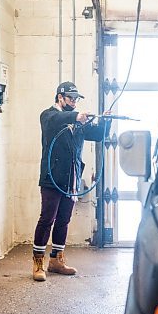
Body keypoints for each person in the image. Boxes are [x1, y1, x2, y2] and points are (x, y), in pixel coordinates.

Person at [32, 81, 110, 281]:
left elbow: (99, 135)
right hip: (52, 177)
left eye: (76, 99)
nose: (74, 102)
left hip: (71, 178)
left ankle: (56, 260)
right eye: (71, 98)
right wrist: (77, 116)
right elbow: (57, 120)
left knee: (64, 220)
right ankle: (38, 262)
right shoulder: (49, 115)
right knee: (47, 219)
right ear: (60, 98)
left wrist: (105, 122)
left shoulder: (77, 121)